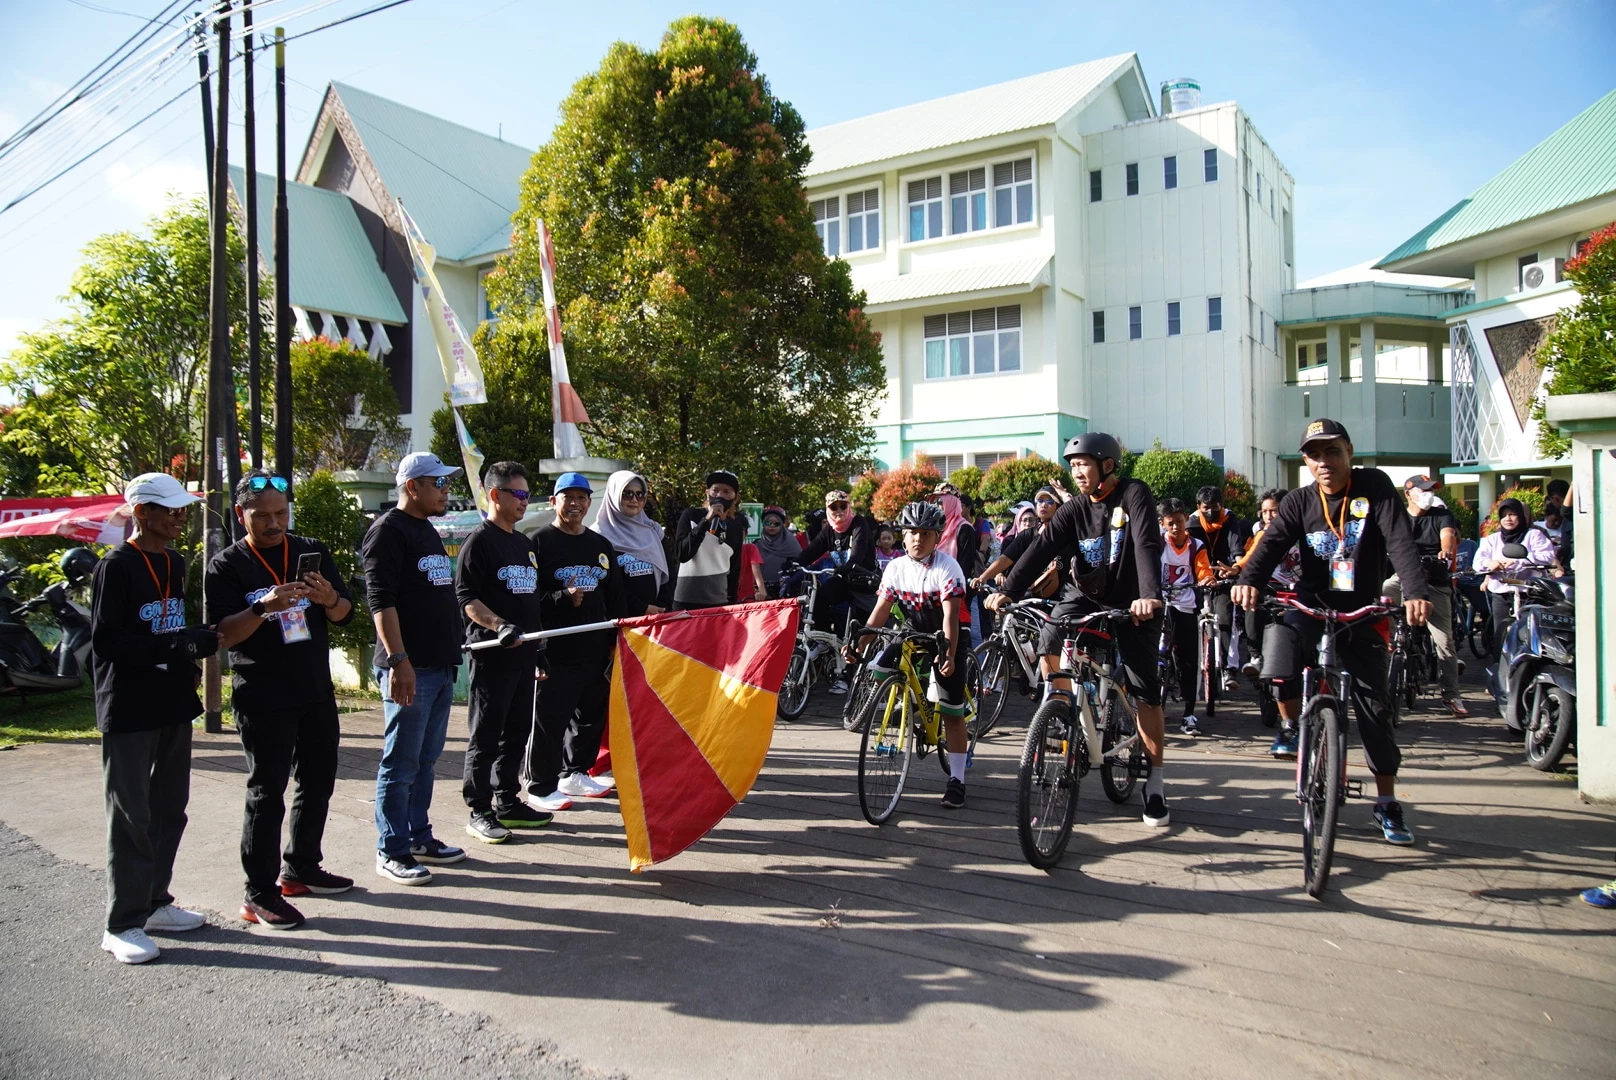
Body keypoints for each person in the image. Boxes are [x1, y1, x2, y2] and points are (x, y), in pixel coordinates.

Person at [1233, 419, 1432, 846]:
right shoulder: (1299, 502)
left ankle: (1386, 802)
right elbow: (1270, 544)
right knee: (1280, 644)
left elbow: (1399, 541)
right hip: (1314, 603)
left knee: (1376, 710)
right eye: (1315, 454)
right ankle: (1289, 726)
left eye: (1333, 452)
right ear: (1306, 460)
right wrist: (1248, 579)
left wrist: (1414, 591)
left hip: (1362, 611)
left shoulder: (1375, 487)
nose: (1325, 462)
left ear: (1350, 452)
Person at [986, 432, 1171, 827]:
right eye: (1072, 466)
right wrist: (1009, 591)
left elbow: (1146, 545)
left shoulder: (1134, 494)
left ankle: (1154, 780)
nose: (1077, 473)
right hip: (1085, 595)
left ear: (1106, 465)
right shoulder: (1074, 510)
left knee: (1144, 690)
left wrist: (1149, 594)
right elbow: (1040, 548)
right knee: (1049, 637)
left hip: (1133, 599)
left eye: (1083, 464)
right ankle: (1060, 711)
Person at [207, 471, 355, 930]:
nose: (274, 523)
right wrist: (263, 608)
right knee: (267, 792)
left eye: (281, 513)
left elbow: (346, 614)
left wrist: (330, 598)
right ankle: (259, 893)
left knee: (318, 780)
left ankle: (302, 866)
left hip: (313, 688)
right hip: (263, 694)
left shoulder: (309, 550)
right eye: (263, 516)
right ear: (241, 516)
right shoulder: (226, 565)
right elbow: (223, 635)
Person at [93, 472, 217, 964]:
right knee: (131, 814)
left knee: (171, 808)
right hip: (128, 706)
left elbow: (168, 622)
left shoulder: (175, 561)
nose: (179, 516)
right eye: (169, 509)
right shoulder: (116, 566)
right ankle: (120, 923)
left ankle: (154, 902)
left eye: (182, 508)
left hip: (171, 703)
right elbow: (108, 642)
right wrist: (175, 643)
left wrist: (188, 644)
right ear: (141, 512)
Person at [362, 452, 468, 886]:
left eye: (445, 484)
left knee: (425, 760)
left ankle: (419, 837)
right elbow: (380, 600)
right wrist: (398, 661)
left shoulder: (425, 529)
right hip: (410, 669)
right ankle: (392, 849)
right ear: (412, 487)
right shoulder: (387, 531)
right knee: (400, 763)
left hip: (439, 666)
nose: (445, 490)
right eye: (437, 484)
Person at [844, 502, 971, 807]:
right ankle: (911, 700)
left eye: (926, 533)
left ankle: (957, 780)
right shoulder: (895, 567)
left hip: (946, 634)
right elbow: (881, 610)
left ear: (937, 537)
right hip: (912, 630)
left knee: (953, 713)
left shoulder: (947, 567)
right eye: (912, 532)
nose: (918, 539)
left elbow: (950, 617)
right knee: (877, 669)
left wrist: (950, 655)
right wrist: (860, 644)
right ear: (903, 537)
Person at [455, 462, 554, 846]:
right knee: (487, 734)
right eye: (520, 494)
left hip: (524, 655)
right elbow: (466, 598)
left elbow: (531, 600)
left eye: (528, 495)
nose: (525, 502)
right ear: (495, 495)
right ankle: (478, 809)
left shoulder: (524, 543)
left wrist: (538, 648)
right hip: (492, 656)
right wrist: (499, 626)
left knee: (516, 732)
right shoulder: (479, 542)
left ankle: (507, 799)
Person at [527, 473, 625, 808]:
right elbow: (527, 598)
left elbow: (615, 595)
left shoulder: (599, 545)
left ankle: (575, 773)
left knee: (590, 715)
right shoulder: (539, 542)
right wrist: (561, 597)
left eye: (582, 498)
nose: (575, 504)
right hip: (557, 647)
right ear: (553, 502)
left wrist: (616, 637)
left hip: (596, 646)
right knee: (550, 719)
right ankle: (540, 785)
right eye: (567, 497)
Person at [1380, 475, 1467, 717]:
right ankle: (1390, 638)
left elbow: (1447, 537)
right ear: (1408, 494)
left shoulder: (1441, 515)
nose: (1429, 493)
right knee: (1386, 590)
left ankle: (1451, 695)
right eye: (1423, 489)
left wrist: (1445, 551)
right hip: (1404, 577)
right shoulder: (1397, 518)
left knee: (1444, 642)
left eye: (1431, 489)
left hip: (1434, 582)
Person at [791, 490, 881, 692]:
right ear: (828, 510)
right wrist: (795, 563)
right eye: (834, 507)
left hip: (865, 583)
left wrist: (847, 566)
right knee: (821, 597)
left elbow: (858, 551)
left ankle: (850, 679)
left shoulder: (859, 524)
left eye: (842, 506)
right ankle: (822, 641)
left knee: (862, 631)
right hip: (843, 580)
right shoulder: (829, 530)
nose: (839, 510)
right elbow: (812, 550)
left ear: (848, 507)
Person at [1472, 498, 1558, 662]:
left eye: (1512, 514)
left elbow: (1547, 556)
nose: (1508, 519)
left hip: (1529, 593)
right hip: (1502, 594)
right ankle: (1499, 672)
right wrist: (1490, 563)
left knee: (1531, 633)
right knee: (1501, 634)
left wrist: (1521, 561)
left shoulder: (1534, 535)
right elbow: (1477, 563)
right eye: (1504, 515)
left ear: (1521, 516)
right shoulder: (1492, 539)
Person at [1158, 497, 1215, 736]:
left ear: (1186, 520)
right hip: (1160, 607)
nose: (1175, 527)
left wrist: (1206, 579)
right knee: (1154, 655)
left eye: (1179, 522)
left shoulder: (1196, 546)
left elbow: (1203, 569)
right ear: (1162, 523)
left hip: (1186, 607)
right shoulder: (1156, 544)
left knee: (1188, 661)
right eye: (1170, 523)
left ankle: (1189, 713)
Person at [1235, 488, 1301, 678]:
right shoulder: (1262, 535)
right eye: (1265, 512)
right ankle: (1256, 656)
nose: (1269, 516)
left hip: (1298, 589)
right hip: (1271, 586)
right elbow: (1251, 557)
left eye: (1274, 510)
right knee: (1253, 603)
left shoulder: (1300, 530)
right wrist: (1237, 568)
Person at [1187, 484, 1245, 693]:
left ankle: (1230, 669)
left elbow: (1236, 548)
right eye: (1206, 507)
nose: (1211, 511)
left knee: (1226, 618)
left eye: (1215, 506)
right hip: (1199, 578)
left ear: (1222, 505)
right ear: (1198, 507)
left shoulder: (1230, 519)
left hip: (1223, 576)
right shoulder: (1192, 524)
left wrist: (1236, 568)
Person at [593, 470, 673, 617]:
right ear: (614, 495)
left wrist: (663, 606)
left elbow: (669, 573)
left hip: (656, 618)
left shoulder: (653, 530)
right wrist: (641, 608)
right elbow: (606, 585)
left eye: (640, 494)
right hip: (620, 620)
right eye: (627, 494)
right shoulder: (598, 536)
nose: (634, 499)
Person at [673, 470, 746, 609]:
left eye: (727, 492)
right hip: (685, 602)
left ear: (735, 498)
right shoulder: (691, 515)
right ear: (707, 493)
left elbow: (734, 569)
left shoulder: (736, 528)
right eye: (715, 490)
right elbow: (682, 554)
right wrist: (705, 522)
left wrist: (731, 605)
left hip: (718, 604)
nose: (720, 496)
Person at [754, 506, 803, 596]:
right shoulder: (756, 546)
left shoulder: (792, 544)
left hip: (786, 592)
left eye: (776, 524)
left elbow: (800, 566)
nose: (772, 526)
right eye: (768, 523)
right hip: (760, 594)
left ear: (782, 524)